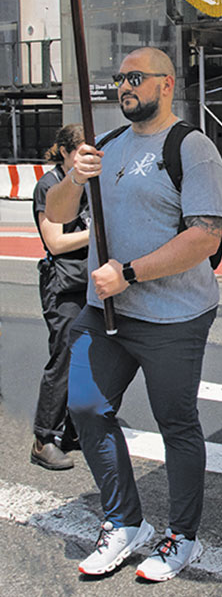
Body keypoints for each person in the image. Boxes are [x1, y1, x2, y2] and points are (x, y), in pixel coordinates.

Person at [47, 47, 222, 581]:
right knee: (84, 406)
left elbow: (204, 238)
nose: (124, 86)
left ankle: (182, 536)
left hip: (173, 315)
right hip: (106, 313)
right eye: (119, 78)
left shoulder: (192, 149)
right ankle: (124, 521)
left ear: (166, 84)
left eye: (135, 78)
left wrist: (128, 273)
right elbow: (57, 219)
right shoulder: (104, 146)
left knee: (176, 424)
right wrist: (74, 179)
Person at [30, 123, 90, 471]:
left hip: (87, 279)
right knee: (64, 360)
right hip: (63, 283)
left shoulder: (86, 184)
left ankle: (71, 431)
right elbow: (54, 241)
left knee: (88, 358)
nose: (87, 160)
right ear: (66, 152)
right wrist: (95, 234)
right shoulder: (49, 185)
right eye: (80, 153)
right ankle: (43, 439)